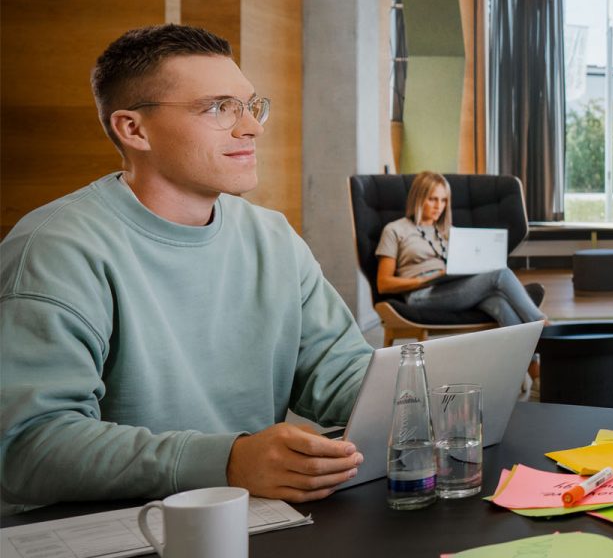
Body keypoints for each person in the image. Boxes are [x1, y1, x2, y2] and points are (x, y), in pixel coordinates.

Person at [0, 25, 374, 507]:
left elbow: (341, 374)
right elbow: (27, 446)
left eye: (250, 106)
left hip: (246, 516)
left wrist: (424, 401)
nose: (252, 128)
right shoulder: (55, 249)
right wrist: (227, 462)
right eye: (219, 108)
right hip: (112, 526)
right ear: (133, 129)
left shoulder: (272, 236)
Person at [373, 170, 545, 326]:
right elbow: (383, 284)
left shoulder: (450, 231)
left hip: (454, 287)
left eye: (443, 200)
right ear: (418, 198)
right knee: (501, 274)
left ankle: (529, 350)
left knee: (499, 302)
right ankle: (542, 324)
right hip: (421, 294)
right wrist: (425, 280)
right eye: (432, 199)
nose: (439, 206)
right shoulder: (394, 230)